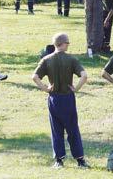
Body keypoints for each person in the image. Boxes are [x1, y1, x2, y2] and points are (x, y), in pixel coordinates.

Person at [32, 33, 89, 169]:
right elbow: (84, 75)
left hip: (54, 99)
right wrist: (76, 89)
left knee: (56, 130)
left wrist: (46, 89)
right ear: (63, 44)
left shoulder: (46, 59)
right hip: (68, 98)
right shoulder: (71, 59)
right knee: (73, 129)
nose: (68, 45)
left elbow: (34, 77)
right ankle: (80, 160)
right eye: (68, 43)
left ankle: (59, 160)